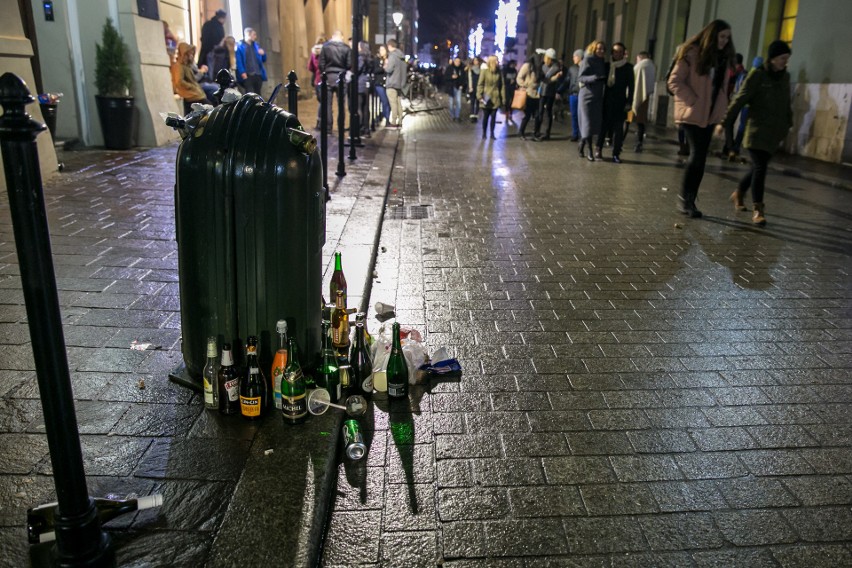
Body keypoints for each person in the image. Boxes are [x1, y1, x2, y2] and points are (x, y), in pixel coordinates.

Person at [668, 19, 734, 218]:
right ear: (711, 35)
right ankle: (685, 201)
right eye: (722, 36)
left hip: (710, 115)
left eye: (727, 38)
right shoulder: (691, 53)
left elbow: (720, 89)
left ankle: (689, 198)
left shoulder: (723, 58)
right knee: (697, 155)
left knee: (701, 157)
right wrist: (692, 100)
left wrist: (722, 110)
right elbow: (674, 81)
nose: (724, 41)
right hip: (693, 114)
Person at [721, 40, 792, 226]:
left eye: (787, 59)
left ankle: (739, 192)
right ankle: (758, 209)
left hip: (774, 133)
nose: (785, 62)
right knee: (761, 168)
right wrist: (724, 122)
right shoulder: (758, 75)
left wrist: (788, 124)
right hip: (756, 131)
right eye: (783, 58)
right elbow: (740, 99)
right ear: (773, 58)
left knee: (756, 168)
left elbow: (787, 103)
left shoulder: (785, 78)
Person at [596, 42, 633, 162]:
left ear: (624, 53)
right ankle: (598, 149)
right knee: (603, 127)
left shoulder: (628, 67)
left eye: (620, 52)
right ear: (612, 53)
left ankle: (616, 153)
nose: (618, 54)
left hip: (620, 103)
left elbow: (631, 87)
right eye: (615, 51)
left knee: (618, 130)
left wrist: (629, 103)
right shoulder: (606, 66)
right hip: (606, 101)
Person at [577, 41, 607, 161]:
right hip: (586, 96)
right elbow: (580, 77)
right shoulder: (587, 59)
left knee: (594, 124)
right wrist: (595, 78)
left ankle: (581, 144)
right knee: (587, 123)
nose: (601, 51)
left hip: (598, 96)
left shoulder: (603, 62)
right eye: (599, 49)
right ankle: (589, 150)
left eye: (603, 49)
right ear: (594, 49)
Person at [728, 55, 763, 159]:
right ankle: (736, 147)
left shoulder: (745, 74)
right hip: (748, 105)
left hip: (739, 102)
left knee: (732, 123)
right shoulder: (759, 76)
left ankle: (731, 147)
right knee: (743, 126)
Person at [319, 30, 351, 128]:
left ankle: (328, 127)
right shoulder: (346, 48)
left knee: (327, 104)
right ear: (341, 37)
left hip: (328, 76)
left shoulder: (325, 47)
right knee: (341, 104)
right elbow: (349, 64)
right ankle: (340, 126)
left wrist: (324, 73)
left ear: (332, 36)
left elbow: (321, 63)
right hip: (341, 77)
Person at [533, 48, 563, 141]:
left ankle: (547, 133)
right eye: (545, 57)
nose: (545, 60)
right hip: (542, 92)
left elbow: (547, 79)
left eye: (547, 58)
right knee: (540, 112)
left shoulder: (556, 67)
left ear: (550, 58)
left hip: (550, 92)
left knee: (548, 112)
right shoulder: (542, 66)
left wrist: (554, 78)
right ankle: (537, 131)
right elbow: (542, 78)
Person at [173, 43, 208, 114]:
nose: (190, 56)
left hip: (196, 93)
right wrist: (191, 86)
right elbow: (179, 81)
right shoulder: (179, 66)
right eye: (188, 54)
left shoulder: (187, 66)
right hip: (191, 94)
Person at [631, 51, 656, 152]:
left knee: (628, 118)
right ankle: (639, 141)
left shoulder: (640, 66)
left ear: (639, 57)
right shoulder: (652, 66)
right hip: (646, 96)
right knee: (641, 121)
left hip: (635, 95)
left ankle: (621, 139)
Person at [477, 55, 504, 140]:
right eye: (496, 60)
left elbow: (502, 85)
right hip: (486, 97)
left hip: (495, 97)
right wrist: (479, 95)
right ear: (492, 62)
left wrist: (503, 98)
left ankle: (492, 133)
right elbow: (480, 84)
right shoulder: (484, 71)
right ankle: (484, 133)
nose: (498, 62)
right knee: (486, 116)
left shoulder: (499, 72)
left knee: (494, 116)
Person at [516, 52, 542, 140]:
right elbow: (519, 78)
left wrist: (555, 77)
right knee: (527, 115)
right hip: (528, 94)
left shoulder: (539, 68)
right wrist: (524, 86)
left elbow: (544, 79)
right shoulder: (527, 66)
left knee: (538, 115)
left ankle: (535, 133)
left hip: (537, 95)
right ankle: (521, 132)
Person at [236, 27, 267, 96]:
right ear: (248, 34)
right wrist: (242, 72)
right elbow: (239, 61)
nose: (255, 37)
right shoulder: (240, 46)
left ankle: (258, 107)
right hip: (248, 75)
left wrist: (263, 54)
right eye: (254, 35)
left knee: (258, 95)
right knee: (250, 95)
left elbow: (264, 59)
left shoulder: (256, 46)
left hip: (257, 74)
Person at [384, 39, 407, 127]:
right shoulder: (401, 56)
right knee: (398, 102)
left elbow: (389, 69)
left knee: (393, 103)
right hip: (400, 83)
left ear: (389, 46)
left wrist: (385, 66)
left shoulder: (392, 56)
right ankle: (400, 120)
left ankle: (394, 121)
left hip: (392, 83)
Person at [307, 35, 326, 128]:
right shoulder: (326, 51)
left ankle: (319, 121)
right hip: (325, 79)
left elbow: (310, 67)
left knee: (321, 102)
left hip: (317, 80)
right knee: (325, 102)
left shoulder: (313, 52)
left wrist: (316, 70)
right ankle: (323, 122)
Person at [356, 41, 373, 136]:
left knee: (359, 107)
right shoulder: (369, 57)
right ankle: (366, 128)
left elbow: (357, 69)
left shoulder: (361, 57)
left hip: (360, 83)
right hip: (367, 82)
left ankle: (361, 128)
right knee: (366, 107)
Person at [567, 49, 583, 141]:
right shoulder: (572, 68)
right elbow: (567, 80)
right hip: (573, 94)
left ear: (579, 57)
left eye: (575, 56)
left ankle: (582, 134)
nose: (573, 58)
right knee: (574, 115)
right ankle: (575, 134)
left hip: (581, 95)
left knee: (581, 115)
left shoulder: (585, 67)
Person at [444, 57, 466, 122]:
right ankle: (452, 116)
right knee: (451, 103)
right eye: (456, 61)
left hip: (458, 87)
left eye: (459, 61)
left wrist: (462, 85)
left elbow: (464, 78)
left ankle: (457, 116)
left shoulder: (461, 69)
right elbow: (445, 77)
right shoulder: (450, 68)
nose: (457, 63)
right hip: (451, 87)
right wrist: (451, 77)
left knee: (458, 102)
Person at [373, 45, 391, 125]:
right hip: (379, 83)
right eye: (380, 50)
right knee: (384, 101)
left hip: (388, 83)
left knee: (388, 102)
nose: (382, 51)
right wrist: (383, 67)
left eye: (383, 50)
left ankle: (385, 117)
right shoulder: (377, 59)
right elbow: (375, 70)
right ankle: (384, 117)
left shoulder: (389, 59)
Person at [466, 56, 482, 121]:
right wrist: (470, 87)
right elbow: (470, 78)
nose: (476, 62)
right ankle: (472, 115)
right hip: (473, 86)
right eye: (475, 60)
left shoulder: (481, 69)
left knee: (478, 102)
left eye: (477, 60)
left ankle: (476, 115)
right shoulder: (471, 69)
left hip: (479, 87)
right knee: (472, 101)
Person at [502, 59, 518, 126]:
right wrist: (508, 81)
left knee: (512, 102)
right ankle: (506, 114)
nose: (513, 65)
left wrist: (514, 82)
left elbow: (517, 78)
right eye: (512, 64)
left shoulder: (515, 71)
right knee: (507, 102)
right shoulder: (505, 70)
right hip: (507, 88)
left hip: (513, 88)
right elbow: (503, 79)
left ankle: (510, 114)